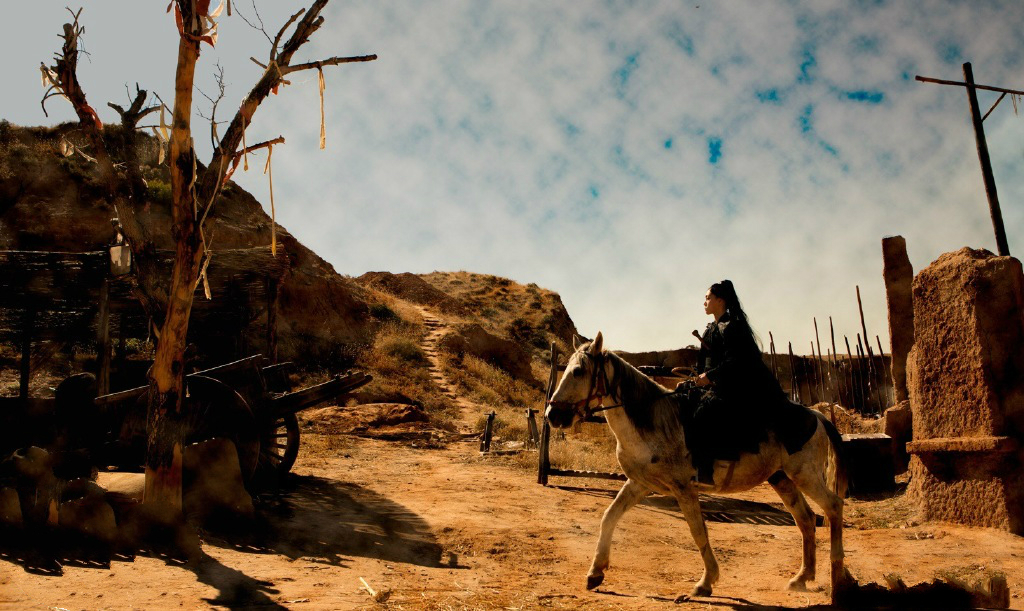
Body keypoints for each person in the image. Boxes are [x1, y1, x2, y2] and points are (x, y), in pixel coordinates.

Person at [689, 280, 787, 484]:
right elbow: (708, 360)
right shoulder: (712, 328)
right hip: (717, 384)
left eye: (708, 298)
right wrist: (697, 379)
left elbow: (738, 361)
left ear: (720, 300)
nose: (704, 302)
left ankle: (707, 471)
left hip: (738, 388)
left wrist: (711, 377)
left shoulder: (733, 327)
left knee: (704, 413)